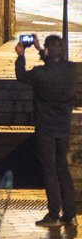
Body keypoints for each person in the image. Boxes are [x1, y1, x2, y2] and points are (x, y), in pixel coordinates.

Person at [15, 33, 78, 227]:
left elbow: (21, 76)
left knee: (49, 170)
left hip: (45, 129)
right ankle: (70, 213)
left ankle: (53, 214)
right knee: (62, 168)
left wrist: (21, 55)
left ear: (48, 50)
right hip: (63, 127)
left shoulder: (40, 74)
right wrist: (41, 49)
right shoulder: (70, 70)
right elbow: (55, 63)